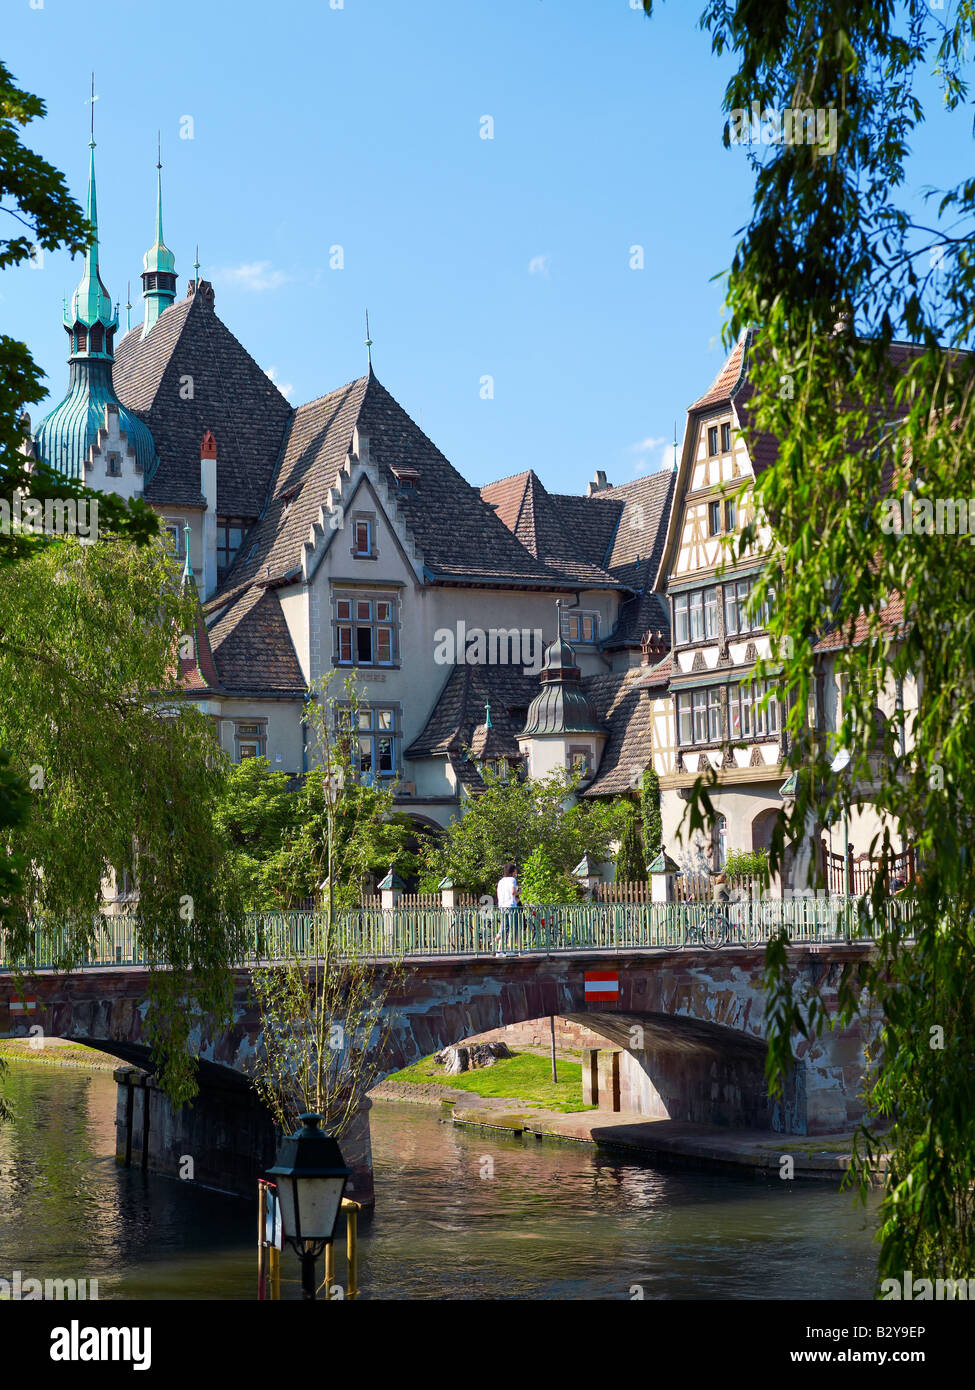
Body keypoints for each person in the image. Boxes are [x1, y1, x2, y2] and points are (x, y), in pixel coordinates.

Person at [495, 863, 519, 956]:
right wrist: (519, 892)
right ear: (513, 871)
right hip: (511, 906)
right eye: (515, 870)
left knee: (504, 928)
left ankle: (499, 950)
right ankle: (510, 950)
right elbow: (513, 892)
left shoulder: (501, 881)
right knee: (512, 929)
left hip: (502, 906)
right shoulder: (512, 880)